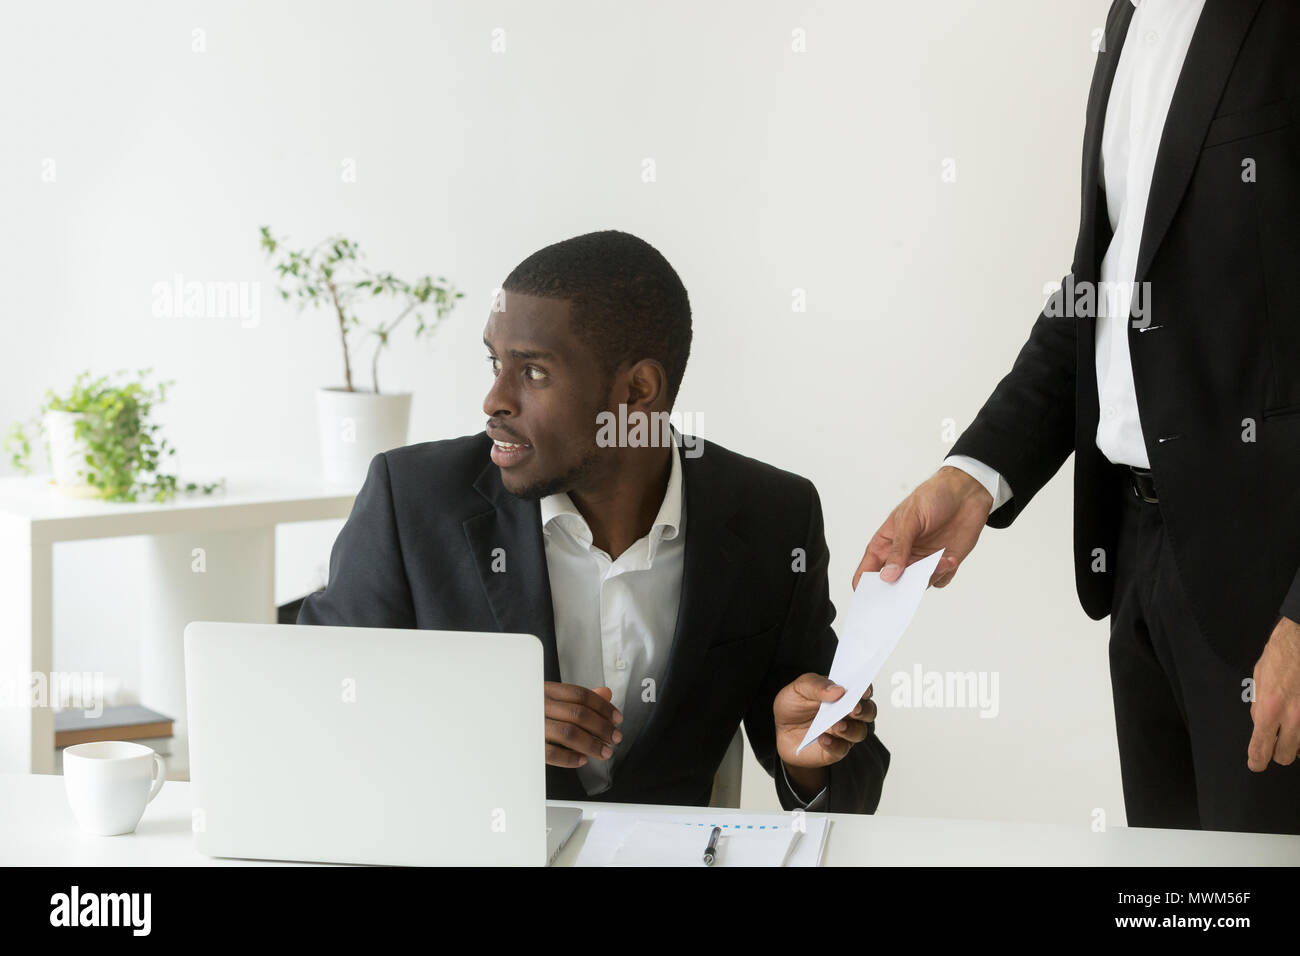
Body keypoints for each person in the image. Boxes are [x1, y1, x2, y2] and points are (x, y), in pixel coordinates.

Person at [855, 0, 1300, 834]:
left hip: (1275, 580)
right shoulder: (1128, 20)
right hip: (1137, 548)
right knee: (1172, 901)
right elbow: (1101, 288)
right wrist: (975, 474)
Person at [300, 229, 889, 812]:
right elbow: (315, 704)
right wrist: (477, 715)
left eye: (532, 372)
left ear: (637, 391)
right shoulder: (413, 499)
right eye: (495, 362)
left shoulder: (772, 517)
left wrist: (808, 755)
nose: (494, 399)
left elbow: (836, 753)